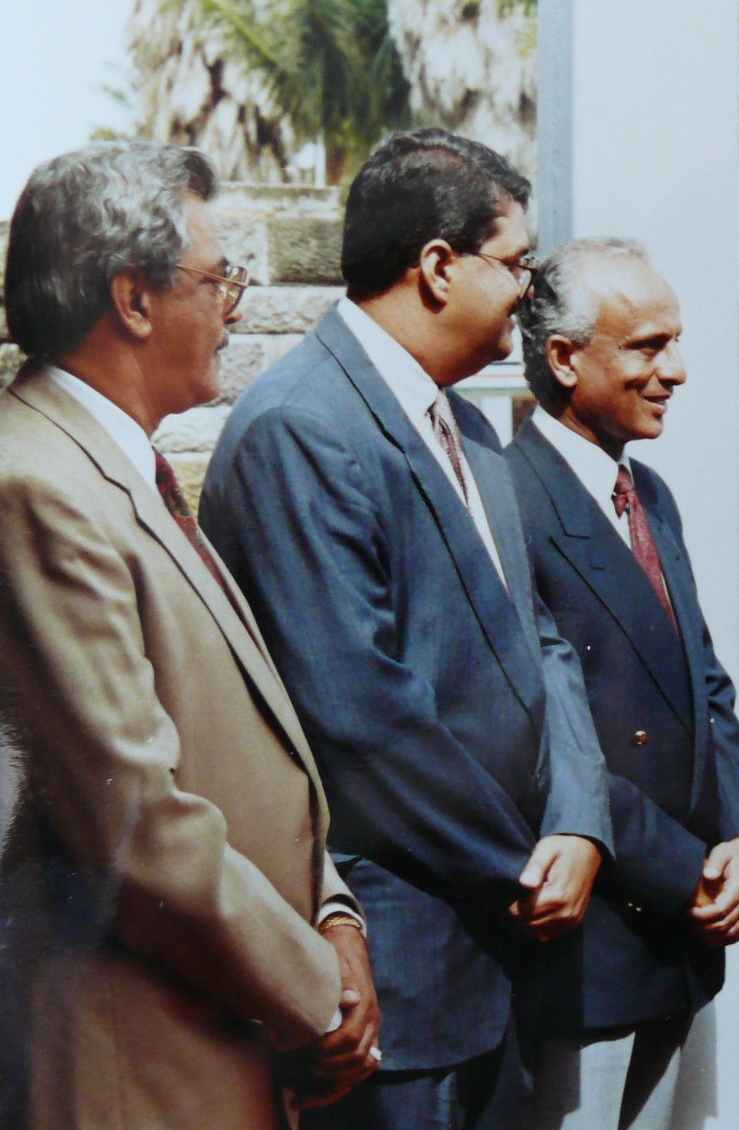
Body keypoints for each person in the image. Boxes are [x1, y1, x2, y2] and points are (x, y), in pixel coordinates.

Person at [200, 128, 612, 1130]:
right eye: (515, 264)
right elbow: (359, 712)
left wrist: (581, 818)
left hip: (496, 958)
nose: (528, 291)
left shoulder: (469, 425)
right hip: (398, 973)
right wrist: (525, 858)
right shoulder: (301, 426)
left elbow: (540, 639)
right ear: (437, 265)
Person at [0, 142, 377, 1126]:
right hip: (141, 1065)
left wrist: (330, 912)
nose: (235, 305)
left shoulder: (114, 472)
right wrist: (320, 988)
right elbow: (134, 825)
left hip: (211, 1033)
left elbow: (246, 750)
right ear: (132, 299)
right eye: (219, 279)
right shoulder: (37, 487)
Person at [506, 239, 739, 1129]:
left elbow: (703, 680)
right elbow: (548, 739)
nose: (678, 371)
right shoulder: (507, 503)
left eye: (676, 342)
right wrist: (690, 870)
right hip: (599, 950)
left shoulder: (647, 491)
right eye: (648, 347)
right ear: (564, 358)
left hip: (680, 937)